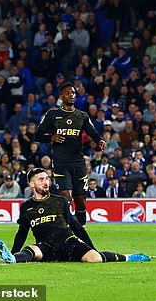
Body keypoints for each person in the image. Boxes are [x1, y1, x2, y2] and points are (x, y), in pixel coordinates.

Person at [0, 168, 149, 264]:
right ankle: (13, 258)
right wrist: (14, 251)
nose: (46, 182)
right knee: (32, 251)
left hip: (67, 241)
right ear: (32, 184)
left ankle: (128, 257)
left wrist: (91, 248)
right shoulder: (27, 207)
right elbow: (22, 233)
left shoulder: (60, 201)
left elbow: (76, 226)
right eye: (41, 179)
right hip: (46, 245)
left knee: (95, 259)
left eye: (47, 178)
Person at [35, 83, 106, 226]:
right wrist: (51, 137)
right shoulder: (52, 115)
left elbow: (92, 131)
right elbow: (38, 135)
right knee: (66, 197)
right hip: (61, 163)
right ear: (61, 97)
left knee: (80, 201)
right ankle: (68, 231)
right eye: (67, 93)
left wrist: (100, 140)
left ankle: (82, 230)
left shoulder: (81, 116)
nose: (71, 95)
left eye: (73, 93)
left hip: (78, 163)